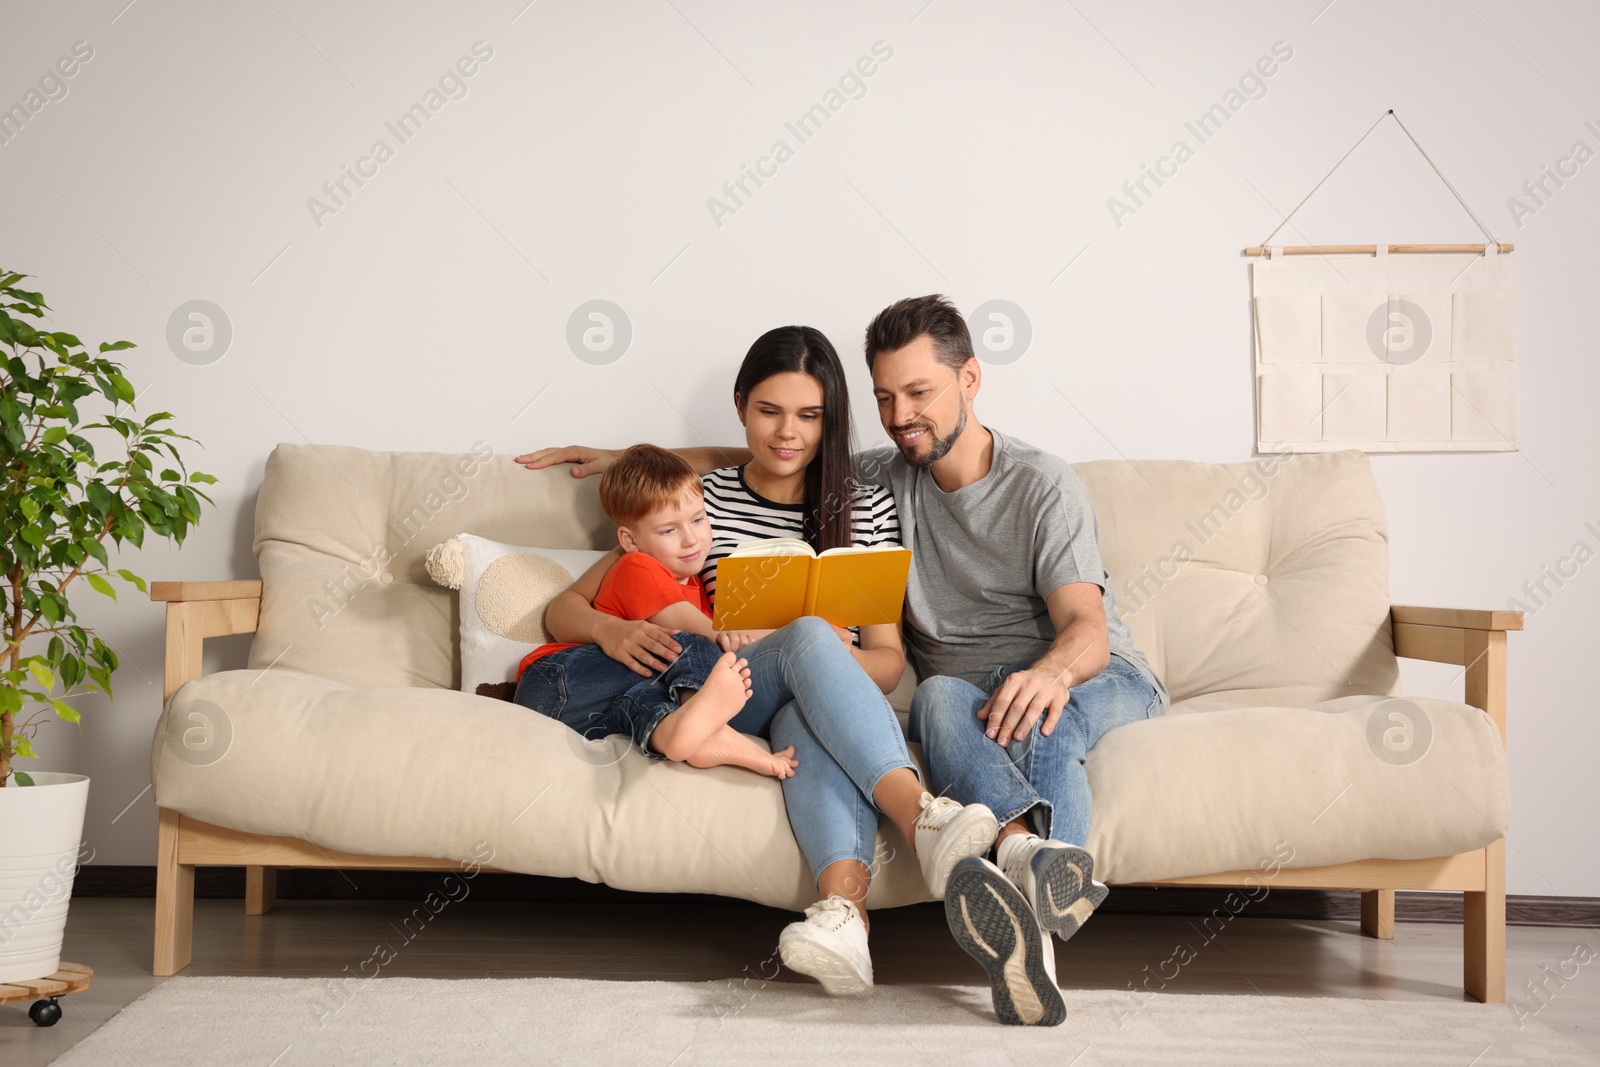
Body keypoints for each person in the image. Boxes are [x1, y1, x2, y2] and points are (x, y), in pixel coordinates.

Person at [523, 299, 1168, 1028]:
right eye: (887, 398)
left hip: (1030, 671)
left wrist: (1041, 672)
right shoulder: (725, 499)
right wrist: (633, 469)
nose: (901, 414)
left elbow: (1062, 633)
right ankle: (953, 834)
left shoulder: (928, 491)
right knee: (899, 683)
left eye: (918, 392)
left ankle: (907, 917)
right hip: (765, 682)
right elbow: (724, 476)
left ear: (970, 379)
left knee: (982, 709)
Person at [519, 325, 1001, 998]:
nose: (788, 433)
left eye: (809, 415)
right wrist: (609, 630)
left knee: (811, 685)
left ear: (830, 420)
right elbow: (563, 609)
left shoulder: (862, 507)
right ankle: (922, 815)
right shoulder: (701, 500)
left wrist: (833, 656)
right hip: (726, 687)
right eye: (769, 410)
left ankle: (844, 918)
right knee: (804, 638)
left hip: (807, 698)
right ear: (741, 404)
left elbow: (888, 663)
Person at [512, 443, 794, 778]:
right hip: (559, 679)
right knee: (694, 646)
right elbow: (711, 633)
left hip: (588, 712)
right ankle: (711, 725)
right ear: (629, 540)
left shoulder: (695, 586)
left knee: (648, 703)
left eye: (698, 519)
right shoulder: (639, 567)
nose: (691, 539)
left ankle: (688, 736)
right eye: (669, 530)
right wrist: (798, 630)